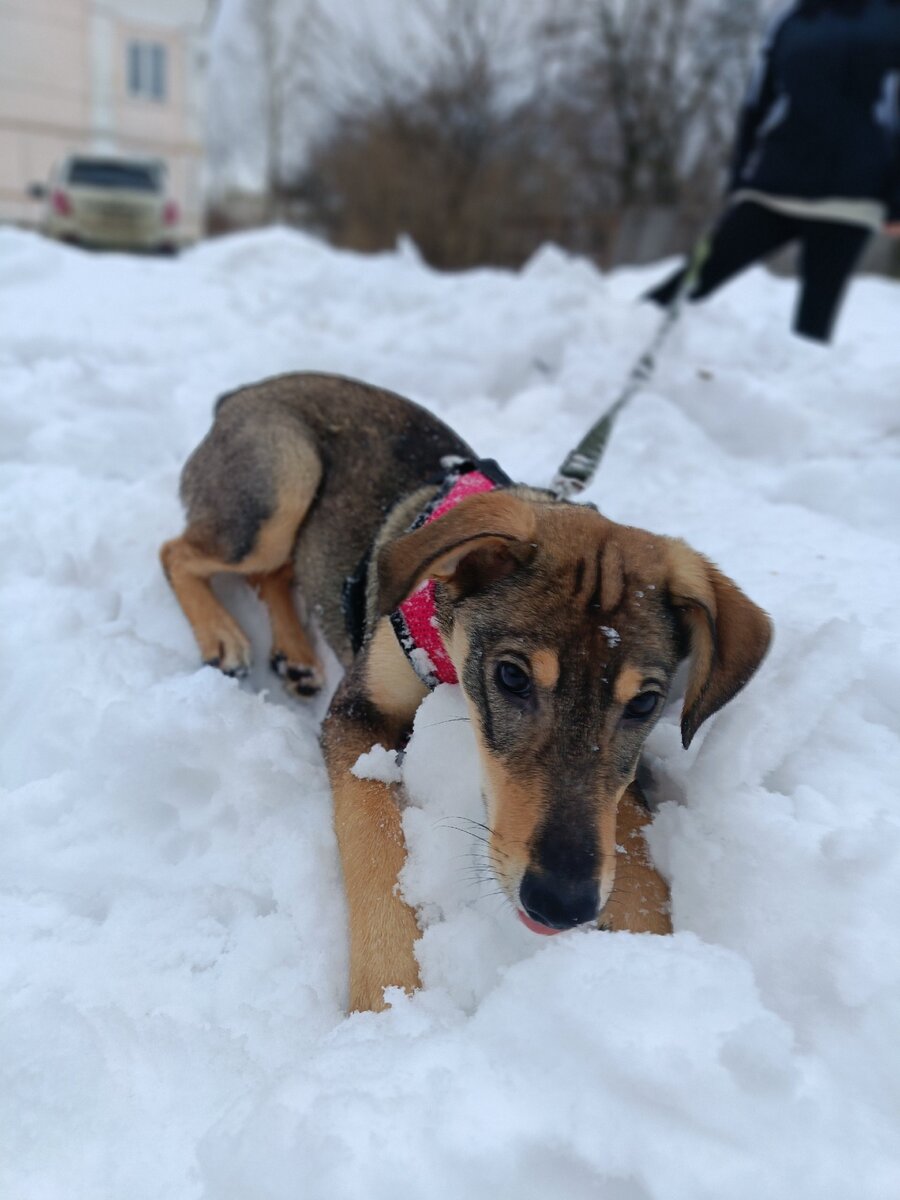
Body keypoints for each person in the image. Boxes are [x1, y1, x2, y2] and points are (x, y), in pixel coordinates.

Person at [647, 0, 900, 342]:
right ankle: (599, 349)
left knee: (812, 330)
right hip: (774, 183)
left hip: (853, 193)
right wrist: (739, 176)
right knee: (689, 282)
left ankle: (800, 393)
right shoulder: (794, 18)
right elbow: (756, 102)